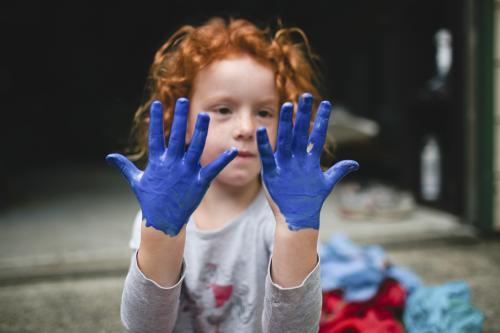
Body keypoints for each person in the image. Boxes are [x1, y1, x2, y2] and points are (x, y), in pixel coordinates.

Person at [105, 17, 359, 333]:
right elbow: (145, 328)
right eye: (223, 110)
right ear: (179, 122)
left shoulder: (278, 218)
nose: (246, 129)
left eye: (264, 112)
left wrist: (296, 233)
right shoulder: (158, 214)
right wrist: (161, 236)